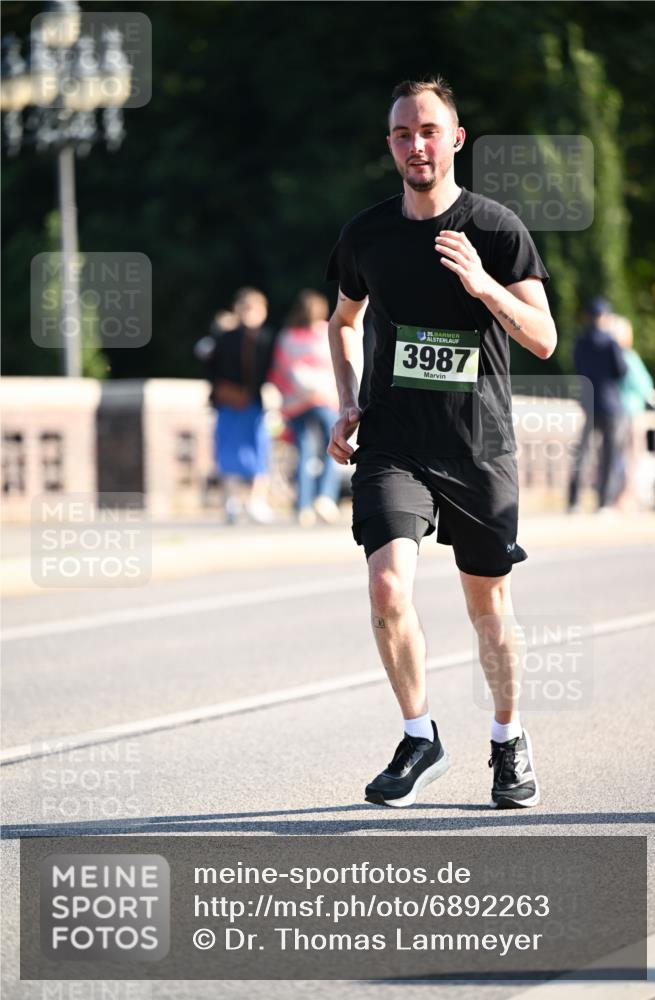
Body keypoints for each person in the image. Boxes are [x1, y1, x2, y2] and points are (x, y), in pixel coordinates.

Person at [326, 77, 556, 809]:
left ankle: (508, 738)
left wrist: (485, 286)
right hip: (393, 442)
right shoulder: (366, 234)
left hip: (477, 447)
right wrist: (347, 400)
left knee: (489, 607)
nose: (415, 145)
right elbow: (343, 320)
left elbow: (544, 339)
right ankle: (418, 735)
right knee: (386, 586)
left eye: (428, 131)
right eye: (403, 134)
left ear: (455, 140)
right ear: (390, 145)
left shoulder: (496, 229)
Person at [199, 287, 275, 524]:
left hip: (251, 403)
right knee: (230, 452)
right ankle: (232, 501)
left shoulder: (264, 338)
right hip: (232, 402)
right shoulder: (227, 338)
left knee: (257, 450)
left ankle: (253, 500)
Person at [268, 290, 342, 526]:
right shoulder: (327, 332)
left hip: (295, 403)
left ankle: (303, 506)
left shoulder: (287, 337)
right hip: (324, 400)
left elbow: (279, 373)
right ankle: (325, 496)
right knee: (334, 447)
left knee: (304, 453)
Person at [567, 297, 627, 513]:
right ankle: (604, 502)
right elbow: (621, 371)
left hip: (589, 402)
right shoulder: (611, 342)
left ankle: (574, 500)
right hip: (610, 404)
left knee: (582, 453)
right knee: (609, 455)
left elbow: (577, 368)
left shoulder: (580, 342)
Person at [608, 314, 654, 510]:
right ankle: (626, 496)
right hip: (632, 412)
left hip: (615, 412)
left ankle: (618, 495)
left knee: (618, 456)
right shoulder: (628, 357)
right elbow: (644, 384)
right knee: (632, 456)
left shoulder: (606, 356)